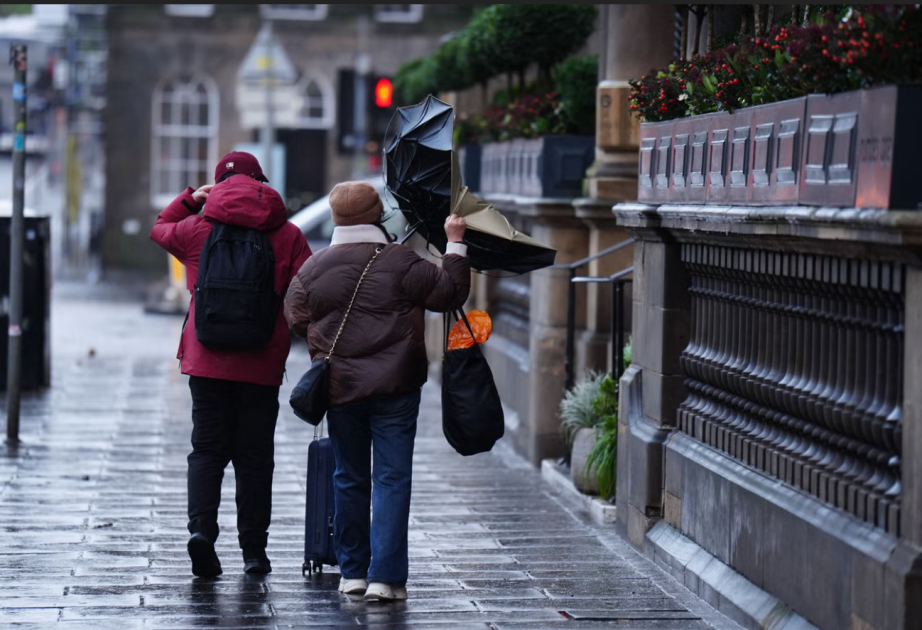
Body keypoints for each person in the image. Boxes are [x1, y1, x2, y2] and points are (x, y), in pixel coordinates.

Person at [283, 181, 469, 601]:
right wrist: (454, 245)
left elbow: (296, 316)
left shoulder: (314, 268)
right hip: (396, 386)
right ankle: (385, 578)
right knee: (391, 477)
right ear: (376, 215)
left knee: (348, 477)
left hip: (341, 388)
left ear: (335, 218)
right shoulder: (400, 261)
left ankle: (353, 573)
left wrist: (327, 344)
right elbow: (449, 294)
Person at [150, 151, 311, 578]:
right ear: (261, 182)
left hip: (207, 361)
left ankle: (202, 531)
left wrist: (191, 198)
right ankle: (254, 551)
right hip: (261, 364)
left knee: (206, 450)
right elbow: (308, 290)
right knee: (255, 458)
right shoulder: (288, 234)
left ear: (217, 186)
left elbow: (159, 229)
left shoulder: (199, 228)